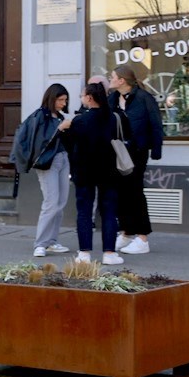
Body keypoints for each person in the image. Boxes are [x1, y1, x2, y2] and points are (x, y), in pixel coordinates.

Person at [63, 82, 124, 265]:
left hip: (84, 171)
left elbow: (70, 146)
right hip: (109, 170)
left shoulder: (80, 120)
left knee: (84, 212)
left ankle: (84, 254)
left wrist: (63, 130)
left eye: (82, 95)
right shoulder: (114, 117)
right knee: (109, 212)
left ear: (89, 98)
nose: (81, 98)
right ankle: (109, 253)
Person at [8, 83, 71, 258]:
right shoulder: (40, 116)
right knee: (51, 202)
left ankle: (52, 241)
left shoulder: (59, 117)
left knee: (60, 202)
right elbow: (39, 142)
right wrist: (60, 129)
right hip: (46, 163)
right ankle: (41, 243)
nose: (63, 103)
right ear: (52, 99)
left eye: (65, 100)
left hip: (62, 160)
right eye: (60, 100)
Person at [111, 62, 163, 255]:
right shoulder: (113, 98)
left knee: (135, 192)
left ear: (122, 80)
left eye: (112, 77)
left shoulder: (143, 98)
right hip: (118, 152)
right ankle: (126, 232)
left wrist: (156, 150)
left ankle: (142, 237)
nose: (110, 79)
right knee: (120, 193)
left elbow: (156, 124)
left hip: (138, 151)